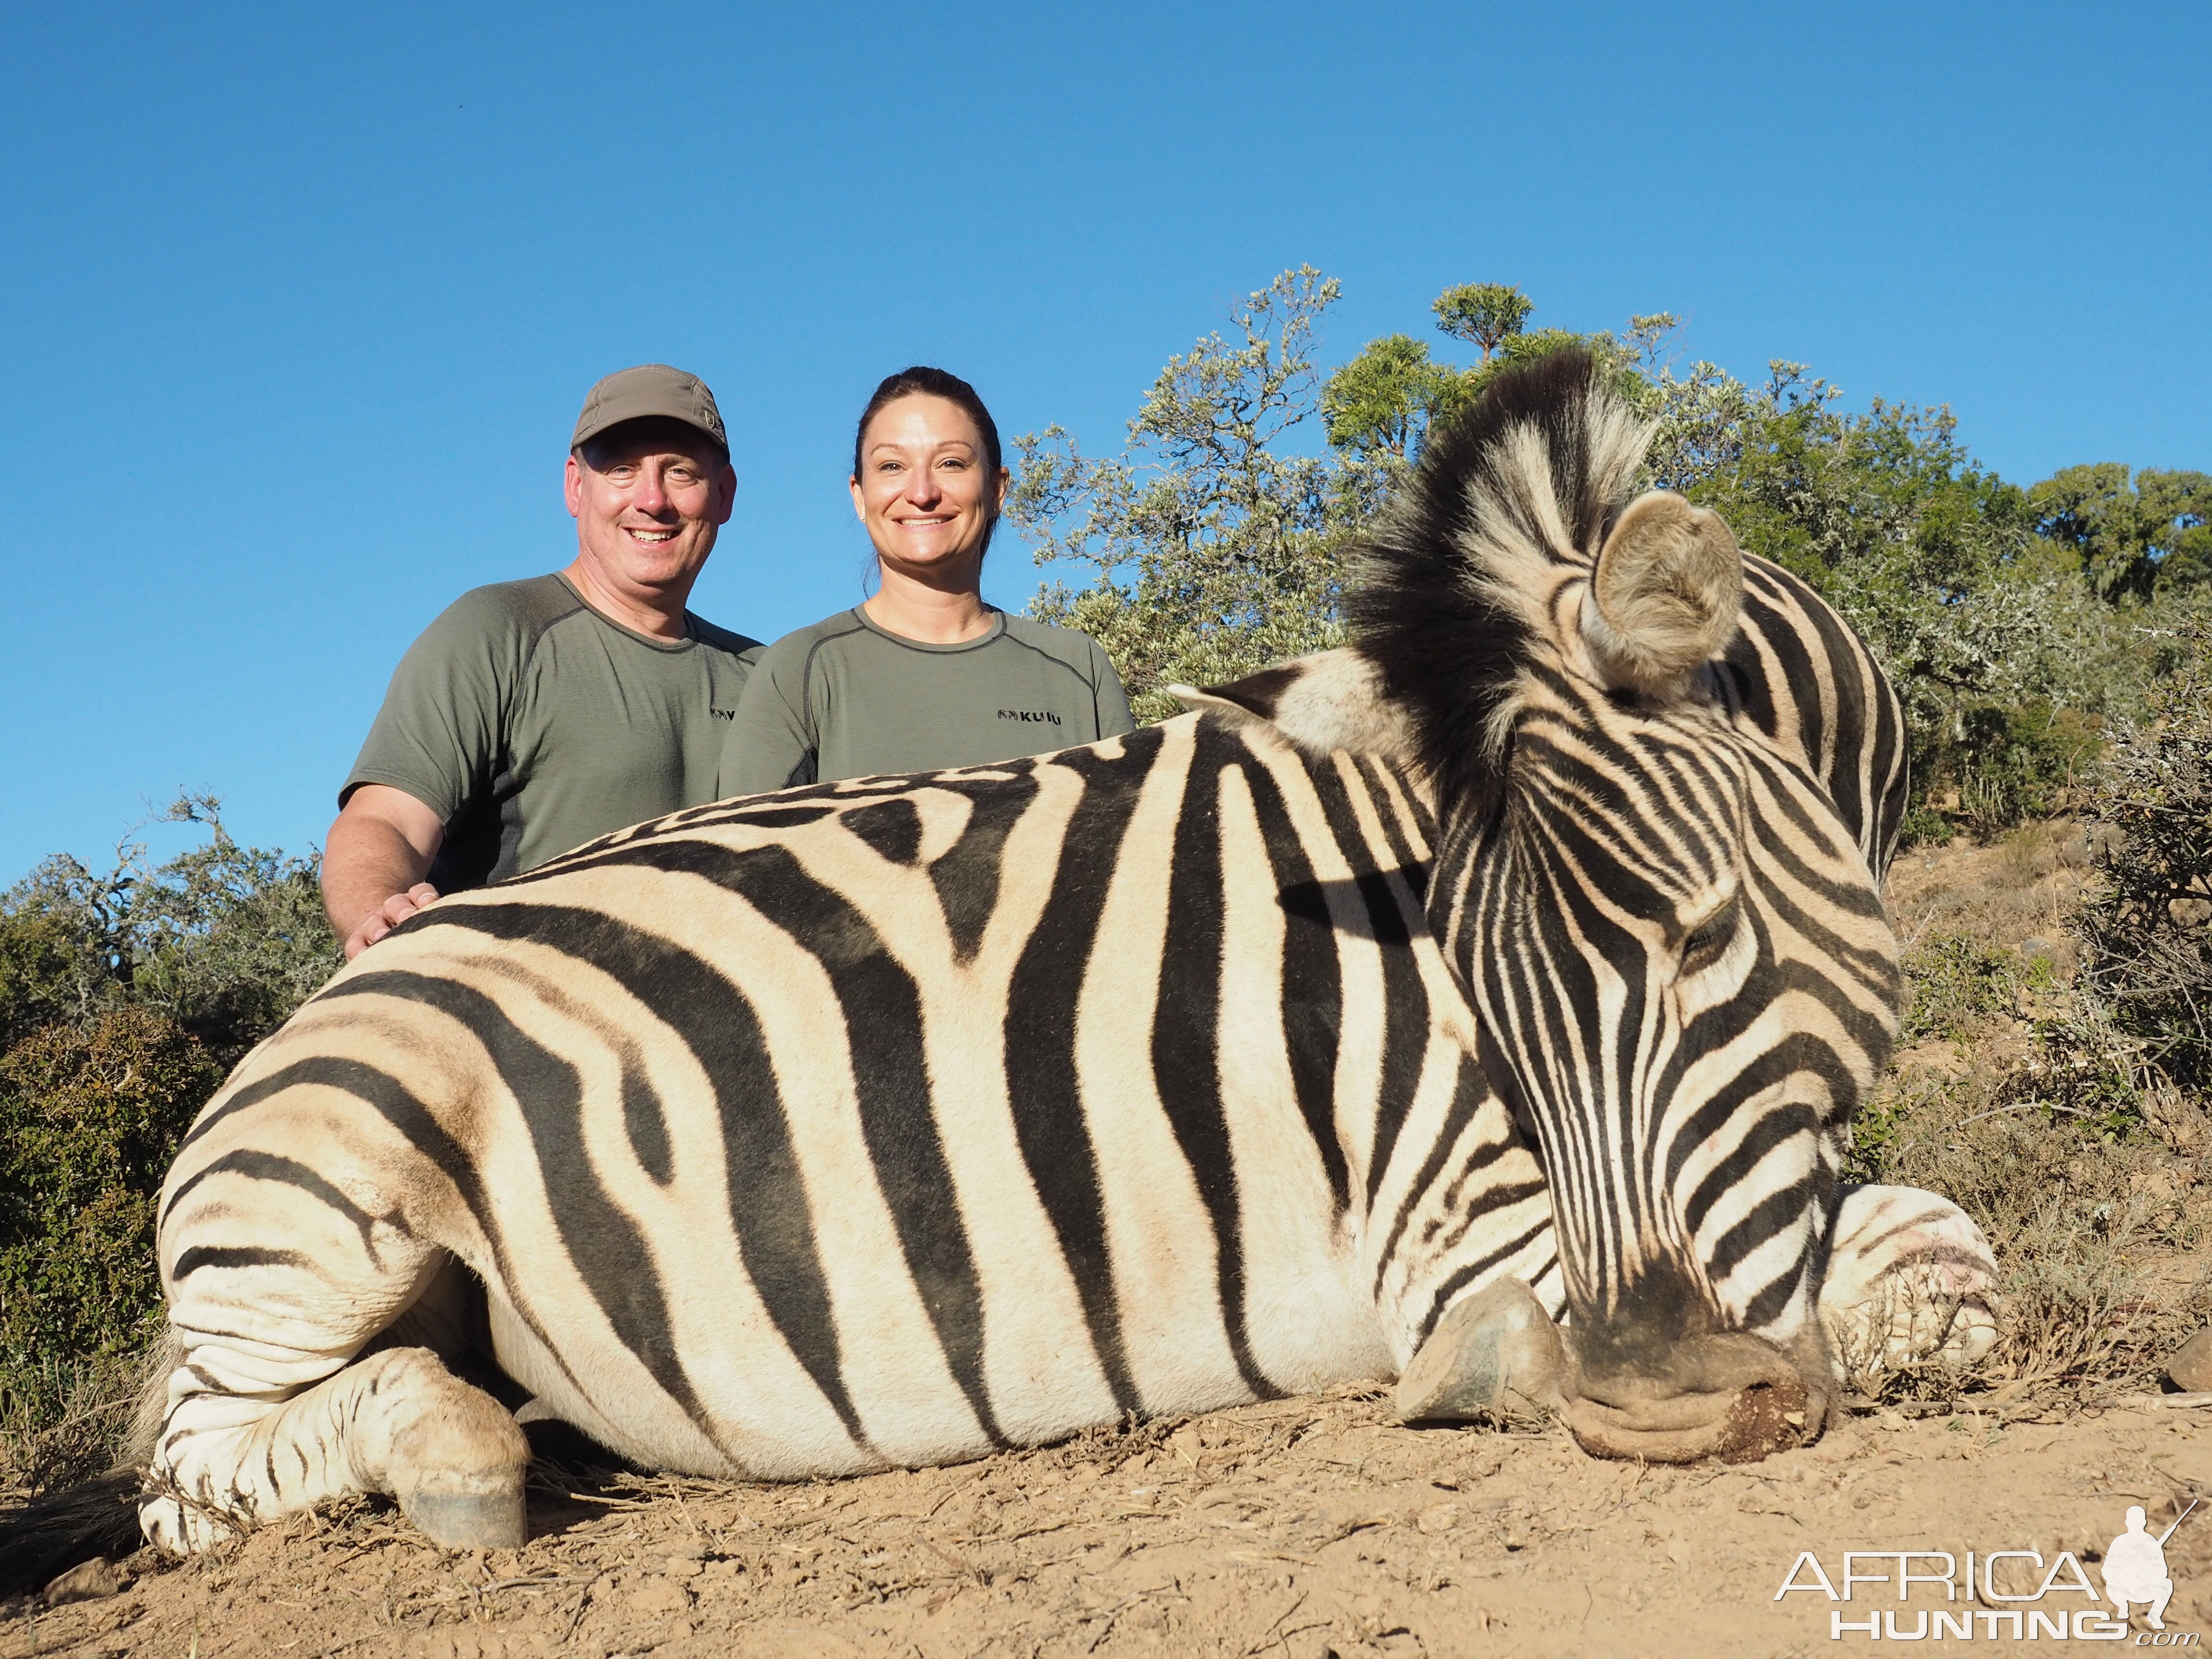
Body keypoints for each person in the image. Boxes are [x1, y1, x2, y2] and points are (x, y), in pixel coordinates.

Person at [323, 363, 761, 959]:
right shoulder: (496, 629)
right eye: (622, 470)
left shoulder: (769, 677)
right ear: (576, 488)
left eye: (680, 472)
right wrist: (381, 913)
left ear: (725, 493)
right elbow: (387, 822)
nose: (652, 499)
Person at [719, 366, 1132, 795]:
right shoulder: (800, 670)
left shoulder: (1078, 669)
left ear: (997, 490)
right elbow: (741, 855)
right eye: (892, 466)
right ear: (860, 496)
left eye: (951, 463)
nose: (921, 492)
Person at [2102, 1505, 2176, 1629]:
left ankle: (2155, 1615)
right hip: (2122, 1589)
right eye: (2133, 1521)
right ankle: (2123, 1608)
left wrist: (2148, 1569)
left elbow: (2163, 1571)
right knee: (2111, 1584)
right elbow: (2107, 1569)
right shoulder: (2120, 1542)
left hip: (2144, 1589)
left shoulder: (2151, 1543)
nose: (2135, 1525)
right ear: (2127, 1523)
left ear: (2144, 1522)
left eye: (2138, 1521)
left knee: (2167, 1584)